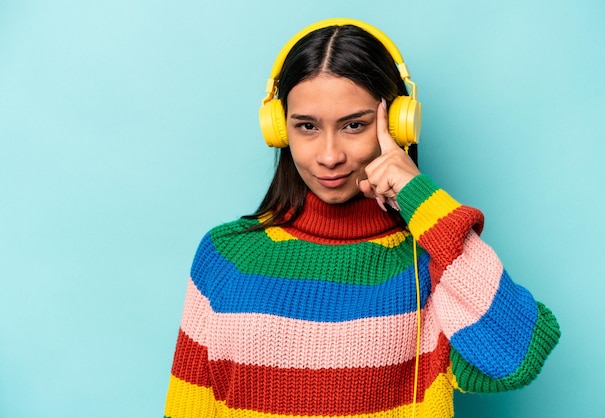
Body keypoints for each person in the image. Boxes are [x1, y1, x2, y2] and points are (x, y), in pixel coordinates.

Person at [163, 18, 560, 418]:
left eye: (354, 125)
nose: (330, 155)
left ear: (399, 124)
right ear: (280, 129)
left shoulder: (434, 264)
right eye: (307, 127)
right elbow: (187, 406)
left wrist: (421, 198)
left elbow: (517, 358)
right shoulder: (226, 255)